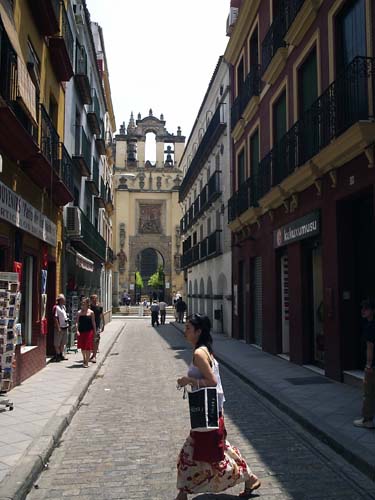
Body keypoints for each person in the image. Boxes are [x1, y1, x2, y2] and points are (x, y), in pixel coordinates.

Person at [175, 314, 260, 499]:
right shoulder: (204, 349)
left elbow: (212, 382)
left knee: (195, 455)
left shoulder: (199, 353)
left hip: (208, 412)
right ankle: (182, 493)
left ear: (198, 331)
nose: (185, 330)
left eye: (189, 328)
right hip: (212, 411)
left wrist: (188, 380)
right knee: (214, 449)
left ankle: (248, 477)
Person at [354, 298, 375, 428]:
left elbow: (370, 347)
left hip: (372, 366)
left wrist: (368, 365)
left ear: (373, 311)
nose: (363, 311)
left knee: (368, 393)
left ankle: (367, 420)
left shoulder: (370, 326)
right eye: (362, 308)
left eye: (366, 309)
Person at [76, 297, 96, 368]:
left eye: (84, 303)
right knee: (82, 347)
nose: (83, 304)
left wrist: (95, 331)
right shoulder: (79, 312)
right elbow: (77, 323)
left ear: (88, 304)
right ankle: (84, 358)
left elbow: (93, 322)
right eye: (82, 303)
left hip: (89, 331)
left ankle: (86, 362)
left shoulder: (91, 312)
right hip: (81, 331)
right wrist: (77, 330)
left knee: (88, 347)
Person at [53, 294, 69, 362]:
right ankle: (58, 354)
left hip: (65, 326)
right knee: (57, 343)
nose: (64, 300)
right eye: (63, 299)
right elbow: (55, 317)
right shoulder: (56, 307)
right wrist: (58, 327)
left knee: (63, 342)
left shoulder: (64, 307)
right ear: (60, 300)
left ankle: (61, 355)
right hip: (59, 328)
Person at [90, 295, 104, 363]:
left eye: (96, 298)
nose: (94, 300)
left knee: (96, 339)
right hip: (89, 326)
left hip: (97, 325)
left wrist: (103, 325)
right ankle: (93, 354)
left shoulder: (100, 306)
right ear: (91, 299)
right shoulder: (89, 307)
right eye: (93, 299)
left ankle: (94, 356)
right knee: (91, 341)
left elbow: (102, 315)